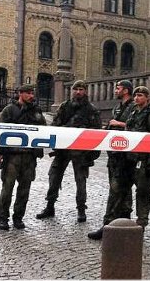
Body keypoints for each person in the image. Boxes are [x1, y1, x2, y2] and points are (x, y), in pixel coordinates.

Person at [36, 80, 102, 223]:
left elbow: (97, 133)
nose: (78, 92)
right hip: (63, 150)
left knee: (80, 181)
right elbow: (55, 125)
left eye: (81, 89)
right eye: (76, 89)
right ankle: (50, 206)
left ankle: (81, 209)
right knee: (54, 177)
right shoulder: (65, 106)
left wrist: (92, 153)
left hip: (81, 152)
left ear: (85, 91)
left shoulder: (91, 110)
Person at [88, 80, 136, 240]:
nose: (116, 90)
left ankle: (108, 225)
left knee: (117, 190)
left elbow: (136, 128)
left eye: (118, 88)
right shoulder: (117, 107)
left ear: (126, 91)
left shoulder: (133, 107)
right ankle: (124, 223)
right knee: (119, 189)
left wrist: (119, 123)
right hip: (113, 155)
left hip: (126, 156)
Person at [0, 84, 46, 230]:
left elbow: (44, 130)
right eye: (28, 93)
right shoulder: (9, 110)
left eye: (32, 93)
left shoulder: (36, 111)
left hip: (29, 156)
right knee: (7, 188)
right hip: (12, 155)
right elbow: (1, 131)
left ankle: (18, 218)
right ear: (20, 94)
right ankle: (3, 218)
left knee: (24, 189)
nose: (31, 96)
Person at [125, 86, 150, 231]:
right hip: (130, 159)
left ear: (147, 98)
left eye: (140, 95)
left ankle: (142, 221)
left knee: (142, 192)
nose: (136, 98)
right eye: (135, 95)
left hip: (144, 161)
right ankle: (125, 217)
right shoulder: (133, 113)